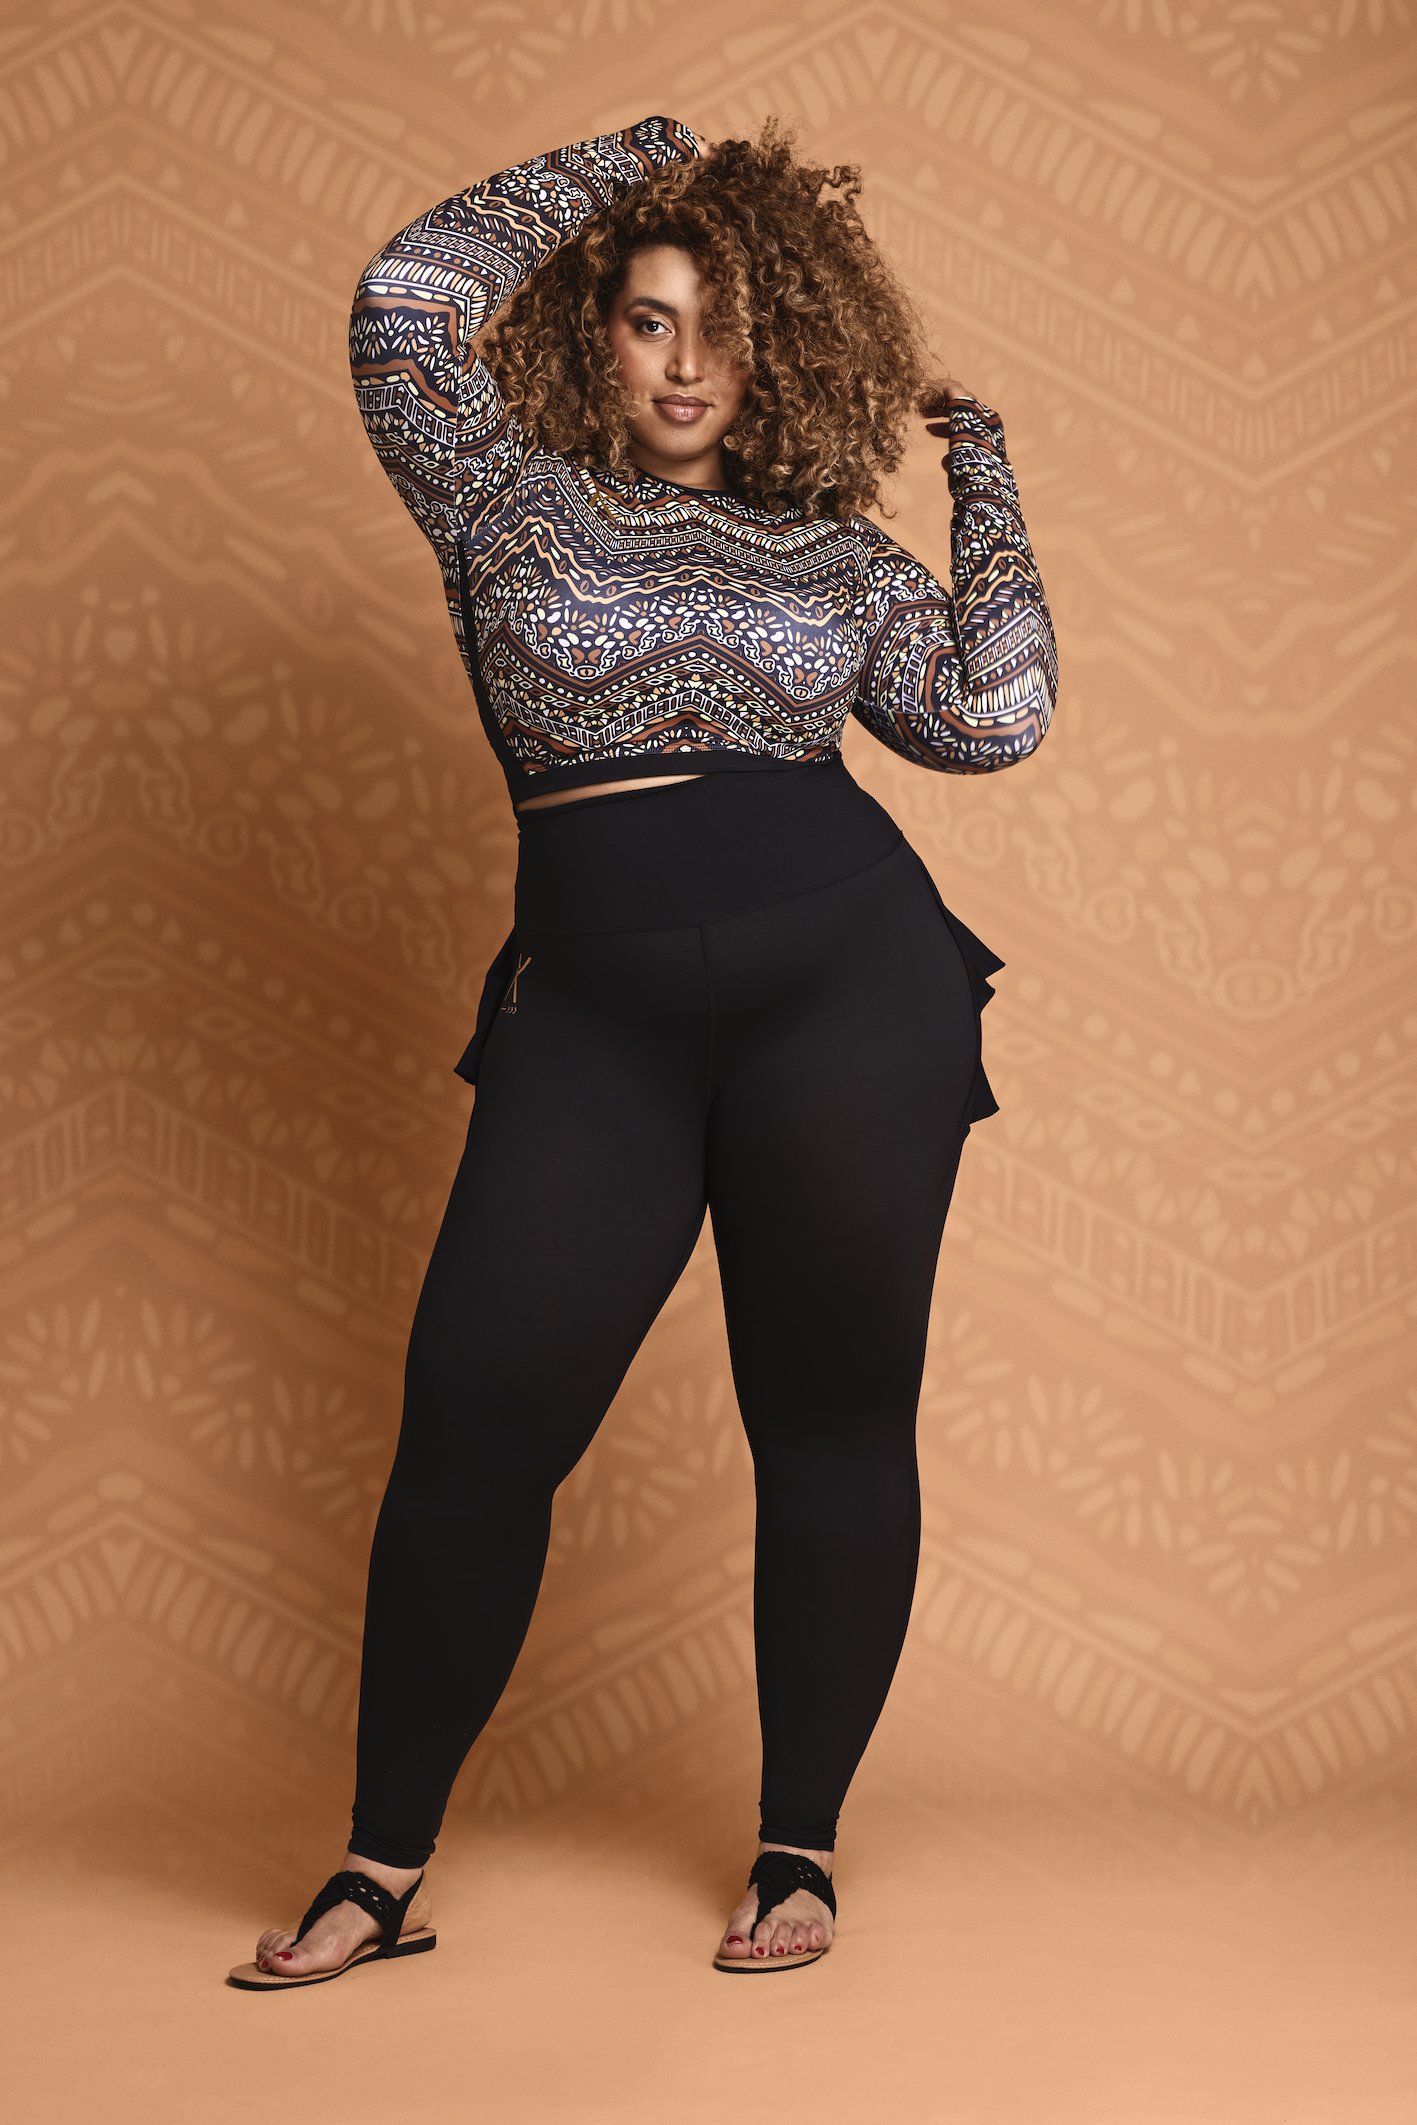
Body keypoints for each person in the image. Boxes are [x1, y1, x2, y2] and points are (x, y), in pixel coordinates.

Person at [227, 111, 1058, 1991]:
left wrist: (984, 472)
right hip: (592, 1021)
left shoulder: (834, 559)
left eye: (727, 328)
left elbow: (993, 713)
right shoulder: (498, 491)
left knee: (828, 1413)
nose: (686, 366)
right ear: (591, 326)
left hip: (849, 999)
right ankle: (376, 1865)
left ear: (787, 348)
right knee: (474, 1419)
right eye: (649, 319)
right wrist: (651, 161)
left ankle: (797, 1848)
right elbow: (401, 296)